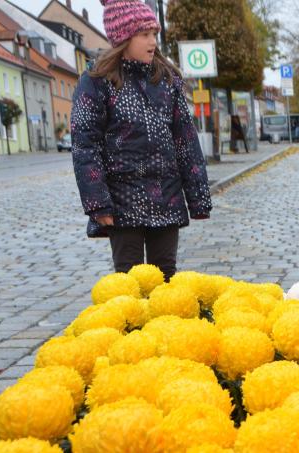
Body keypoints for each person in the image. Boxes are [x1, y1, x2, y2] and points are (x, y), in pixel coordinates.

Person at [71, 0, 212, 280]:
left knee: (165, 275)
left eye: (154, 34)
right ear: (123, 37)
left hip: (167, 194)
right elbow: (85, 145)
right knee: (130, 278)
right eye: (145, 34)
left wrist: (198, 197)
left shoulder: (167, 79)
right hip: (123, 198)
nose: (152, 42)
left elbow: (185, 140)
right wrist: (97, 202)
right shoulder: (97, 81)